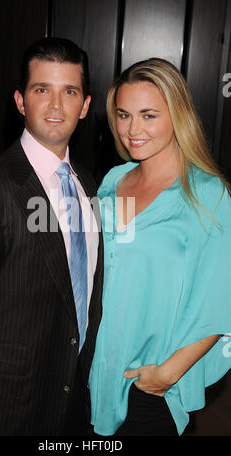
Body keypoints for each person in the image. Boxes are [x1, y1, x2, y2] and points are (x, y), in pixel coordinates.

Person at [0, 37, 103, 436]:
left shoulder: (88, 184)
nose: (56, 105)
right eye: (42, 89)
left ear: (85, 106)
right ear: (20, 101)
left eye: (70, 92)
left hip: (74, 402)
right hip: (8, 412)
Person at [88, 58, 231, 436]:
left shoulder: (207, 195)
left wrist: (165, 376)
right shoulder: (112, 180)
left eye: (148, 115)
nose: (132, 130)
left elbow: (219, 301)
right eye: (123, 114)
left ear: (177, 116)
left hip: (150, 385)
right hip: (95, 372)